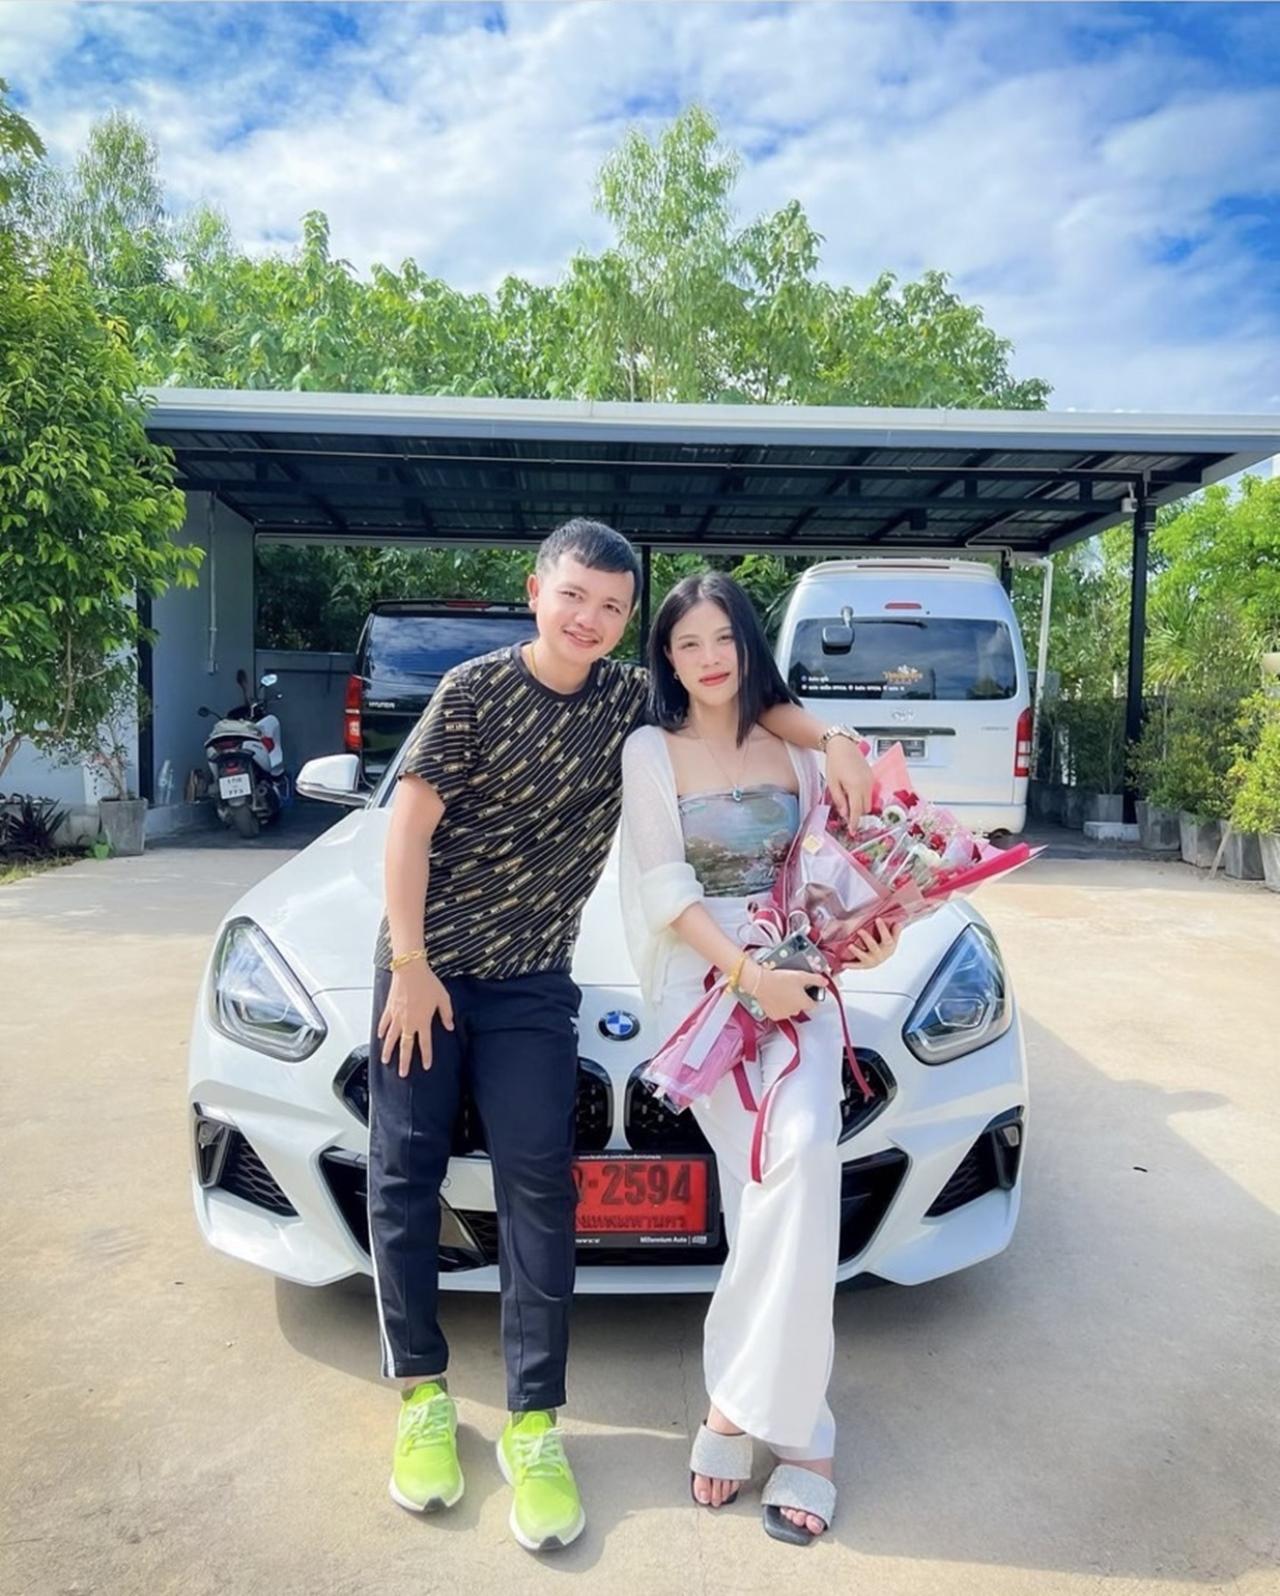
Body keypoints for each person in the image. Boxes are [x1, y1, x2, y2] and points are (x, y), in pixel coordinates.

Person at [369, 519, 874, 1553]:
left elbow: (736, 690)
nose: (588, 618)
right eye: (573, 596)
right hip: (428, 970)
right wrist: (410, 965)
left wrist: (831, 738)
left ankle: (533, 1422)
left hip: (532, 980)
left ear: (626, 620)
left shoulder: (628, 700)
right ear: (535, 592)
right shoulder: (469, 691)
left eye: (610, 606)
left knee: (540, 1185)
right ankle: (421, 1395)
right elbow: (406, 826)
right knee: (404, 1170)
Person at [619, 571, 899, 1546]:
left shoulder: (799, 747)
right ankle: (802, 1436)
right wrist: (747, 977)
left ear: (747, 643)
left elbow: (841, 872)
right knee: (765, 1182)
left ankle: (736, 1410)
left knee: (803, 1153)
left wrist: (864, 940)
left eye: (722, 637)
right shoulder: (650, 750)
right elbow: (663, 891)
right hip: (704, 987)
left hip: (800, 973)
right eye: (686, 643)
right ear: (666, 659)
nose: (708, 658)